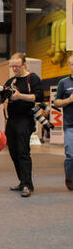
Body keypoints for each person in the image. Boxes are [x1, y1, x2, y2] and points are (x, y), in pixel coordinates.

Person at [0, 53, 44, 197]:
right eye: (12, 66)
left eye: (17, 66)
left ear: (24, 65)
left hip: (25, 119)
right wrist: (0, 95)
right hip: (12, 120)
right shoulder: (11, 81)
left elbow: (39, 97)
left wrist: (20, 96)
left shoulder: (32, 78)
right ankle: (22, 181)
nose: (14, 69)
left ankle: (28, 185)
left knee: (23, 152)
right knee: (13, 152)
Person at [53, 55, 73, 191]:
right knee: (71, 154)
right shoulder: (63, 83)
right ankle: (70, 178)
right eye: (72, 64)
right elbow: (56, 102)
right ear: (69, 66)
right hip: (70, 125)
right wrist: (69, 100)